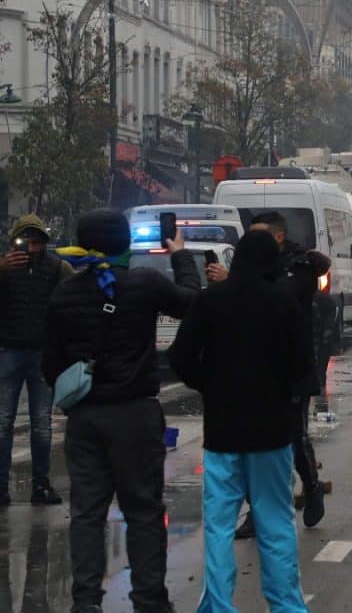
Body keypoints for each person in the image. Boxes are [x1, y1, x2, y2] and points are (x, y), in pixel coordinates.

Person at [42, 209, 199, 613]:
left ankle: (86, 602)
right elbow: (192, 303)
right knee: (144, 511)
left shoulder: (64, 294)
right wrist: (179, 255)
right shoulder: (144, 283)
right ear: (125, 243)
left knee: (87, 514)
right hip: (136, 414)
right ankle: (149, 600)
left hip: (86, 418)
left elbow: (50, 365)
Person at [169, 231, 310, 612]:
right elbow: (304, 367)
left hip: (223, 431)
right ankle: (286, 606)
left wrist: (210, 385)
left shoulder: (211, 299)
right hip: (272, 432)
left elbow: (180, 357)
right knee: (275, 521)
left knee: (218, 524)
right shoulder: (285, 301)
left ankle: (218, 605)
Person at [209, 211, 331, 535]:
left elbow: (283, 297)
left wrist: (234, 284)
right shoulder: (246, 268)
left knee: (294, 438)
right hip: (255, 367)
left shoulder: (299, 265)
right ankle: (256, 510)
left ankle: (312, 485)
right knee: (254, 440)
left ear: (277, 237)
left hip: (291, 367)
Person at [0, 215, 74, 506]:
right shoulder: (5, 268)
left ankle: (41, 485)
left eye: (35, 240)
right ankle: (1, 487)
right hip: (9, 352)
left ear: (44, 242)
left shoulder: (58, 268)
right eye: (24, 240)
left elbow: (73, 302)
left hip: (42, 356)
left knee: (42, 424)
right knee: (3, 422)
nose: (30, 246)